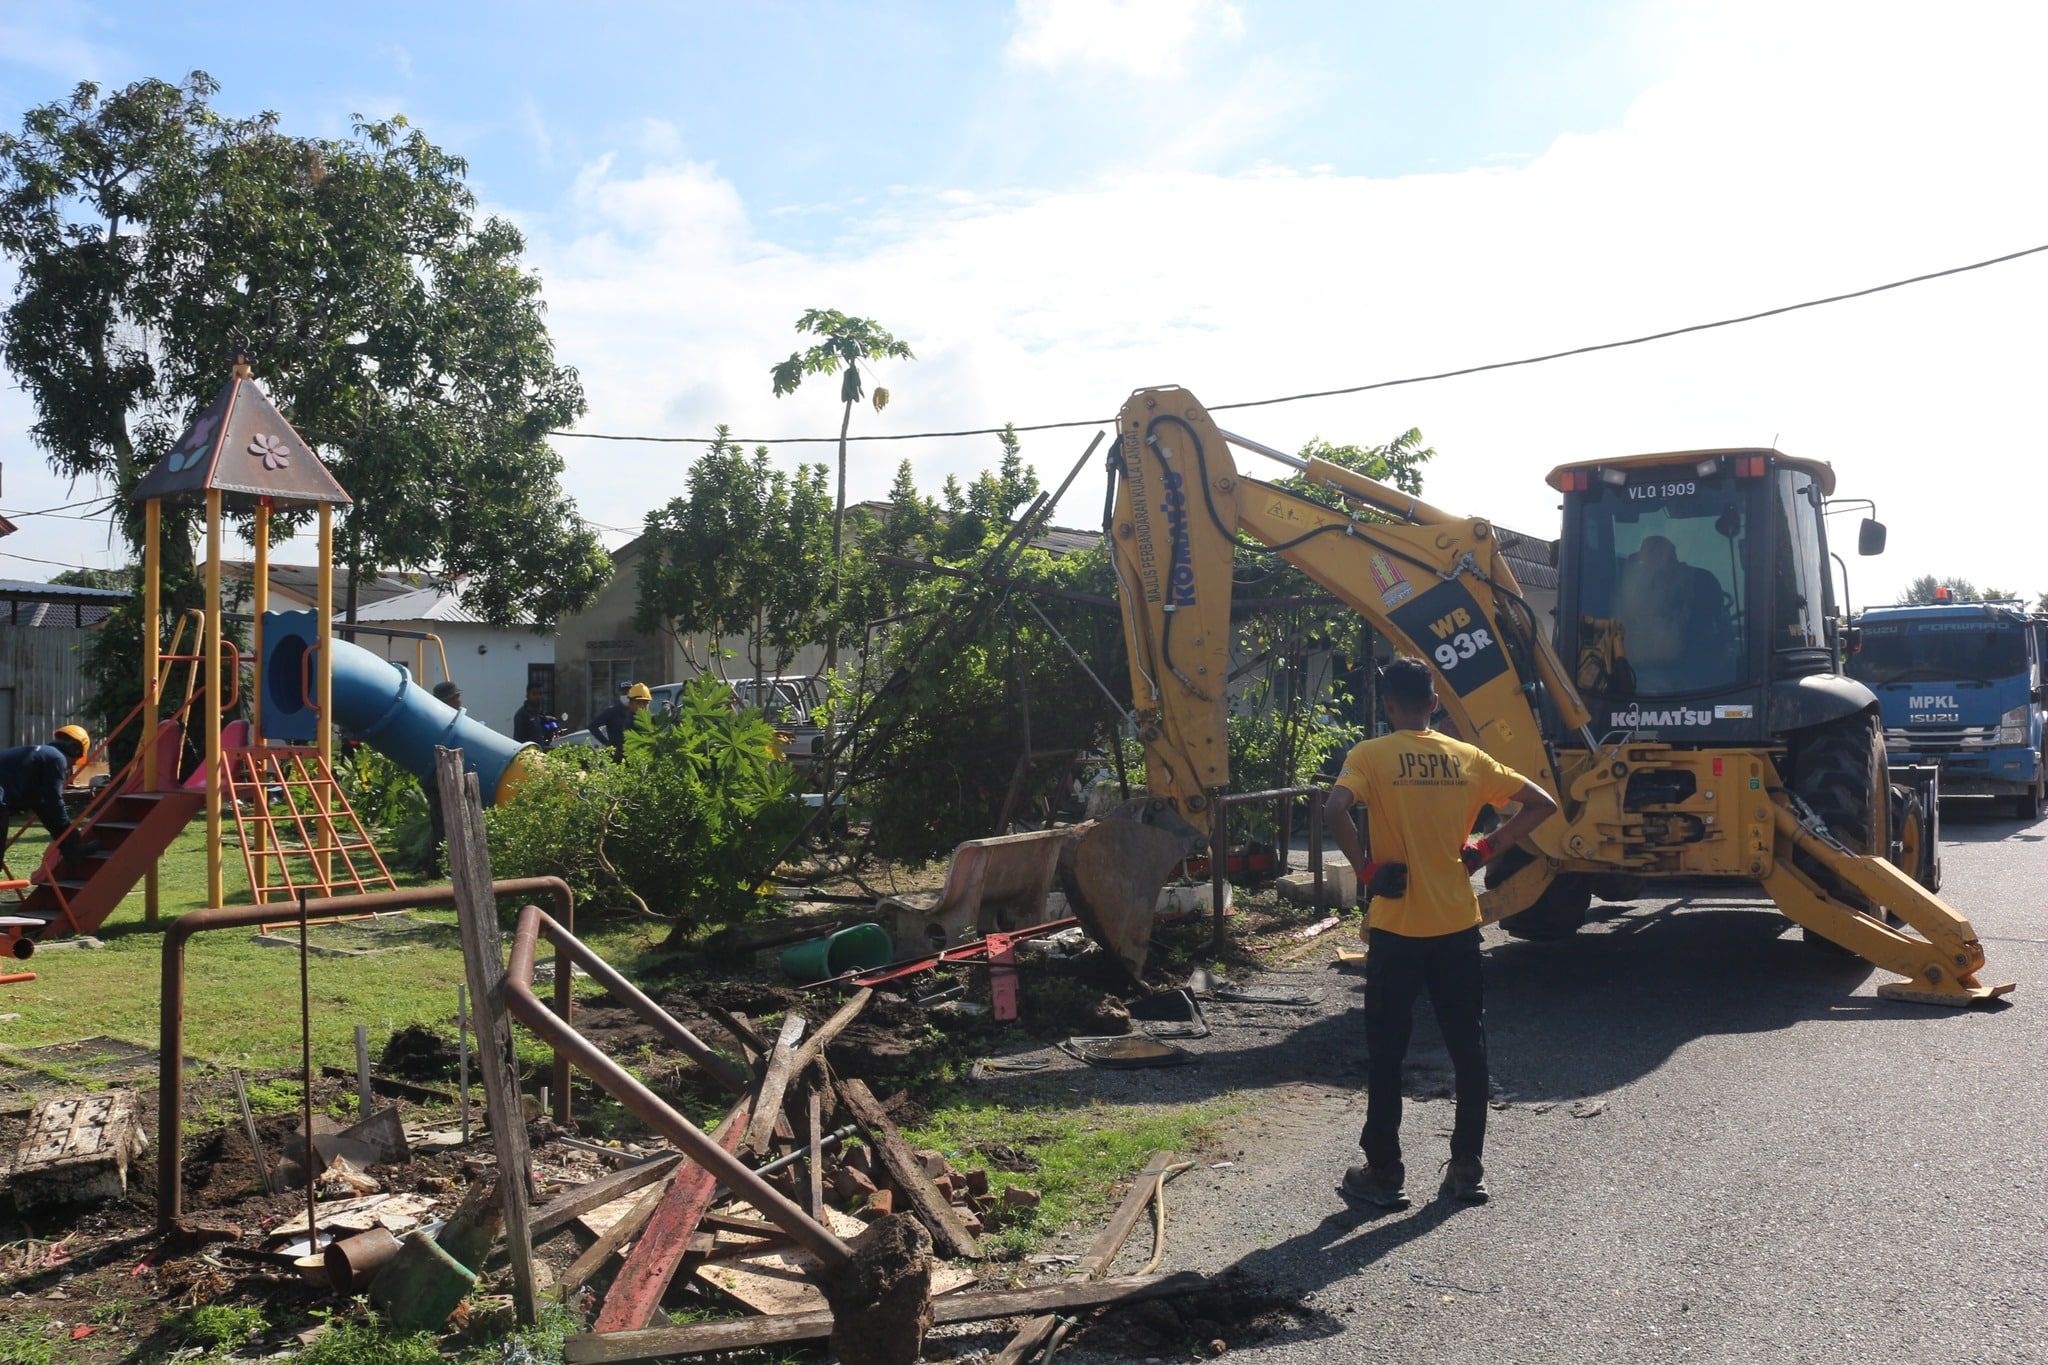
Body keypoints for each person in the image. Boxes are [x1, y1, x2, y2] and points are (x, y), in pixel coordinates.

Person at [1325, 658, 1560, 1209]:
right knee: (1467, 1048)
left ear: (1387, 706)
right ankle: (1466, 1169)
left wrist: (1365, 870)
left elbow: (1335, 808)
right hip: (1457, 927)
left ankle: (1384, 1173)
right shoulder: (1468, 758)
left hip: (1397, 928)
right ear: (1434, 703)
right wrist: (1483, 849)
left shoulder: (1370, 756)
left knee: (1387, 1052)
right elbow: (1541, 805)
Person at [1614, 534, 1731, 692]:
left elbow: (1712, 639)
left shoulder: (1702, 582)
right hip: (1645, 679)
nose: (1644, 567)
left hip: (1699, 679)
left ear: (1666, 559)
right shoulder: (1646, 588)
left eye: (1647, 560)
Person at [0, 726, 103, 860]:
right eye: (74, 762)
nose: (70, 767)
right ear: (76, 750)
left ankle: (71, 849)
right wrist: (70, 834)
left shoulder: (39, 755)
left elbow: (43, 805)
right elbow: (54, 800)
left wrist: (68, 842)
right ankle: (72, 849)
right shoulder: (56, 758)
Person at [421, 680, 463, 877]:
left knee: (441, 824)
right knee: (441, 825)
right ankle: (435, 868)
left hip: (437, 776)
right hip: (436, 778)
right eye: (456, 697)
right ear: (448, 700)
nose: (459, 701)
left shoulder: (443, 718)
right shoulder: (441, 720)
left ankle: (435, 866)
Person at [591, 682, 651, 760]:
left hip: (635, 754)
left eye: (628, 692)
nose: (626, 695)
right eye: (624, 693)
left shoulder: (638, 712)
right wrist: (607, 743)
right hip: (618, 755)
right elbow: (592, 726)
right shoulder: (612, 711)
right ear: (619, 695)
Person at [512, 682, 560, 750]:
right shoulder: (522, 715)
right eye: (534, 694)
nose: (538, 697)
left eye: (540, 694)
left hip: (539, 754)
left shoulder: (538, 714)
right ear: (527, 695)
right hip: (528, 756)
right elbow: (518, 742)